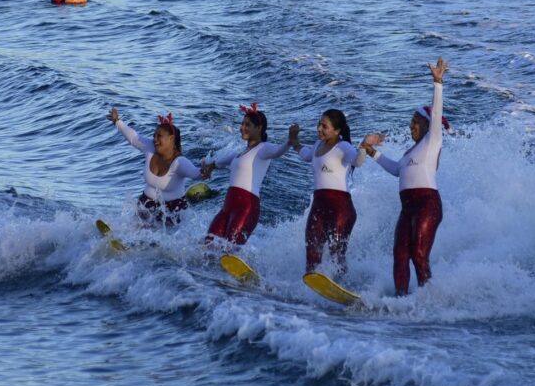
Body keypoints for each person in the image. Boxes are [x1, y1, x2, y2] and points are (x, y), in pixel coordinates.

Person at [360, 57, 450, 296]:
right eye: (410, 123)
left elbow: (437, 110)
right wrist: (373, 153)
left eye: (415, 123)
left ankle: (427, 299)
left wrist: (437, 82)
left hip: (427, 204)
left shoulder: (432, 141)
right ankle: (401, 297)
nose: (411, 127)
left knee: (419, 253)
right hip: (407, 207)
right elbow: (396, 170)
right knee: (400, 253)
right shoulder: (409, 153)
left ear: (427, 124)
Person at [203, 103, 298, 245]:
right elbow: (220, 162)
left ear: (259, 128)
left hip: (246, 207)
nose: (242, 128)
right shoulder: (240, 153)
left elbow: (278, 151)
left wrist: (290, 141)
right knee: (208, 244)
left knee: (230, 249)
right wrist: (210, 166)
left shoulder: (264, 148)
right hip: (227, 207)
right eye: (242, 124)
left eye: (247, 125)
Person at [290, 109, 366, 276]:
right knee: (312, 251)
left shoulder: (343, 146)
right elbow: (305, 154)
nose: (319, 129)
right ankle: (310, 289)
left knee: (336, 253)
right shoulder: (317, 145)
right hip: (318, 206)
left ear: (337, 131)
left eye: (324, 126)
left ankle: (342, 287)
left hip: (341, 208)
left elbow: (358, 161)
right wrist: (294, 140)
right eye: (319, 124)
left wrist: (365, 147)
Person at [106, 107, 205, 228]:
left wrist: (206, 169)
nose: (155, 139)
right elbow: (133, 137)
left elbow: (196, 173)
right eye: (154, 135)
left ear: (171, 138)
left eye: (159, 136)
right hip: (146, 204)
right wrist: (117, 121)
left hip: (172, 210)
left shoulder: (180, 162)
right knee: (135, 231)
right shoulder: (149, 147)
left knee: (159, 243)